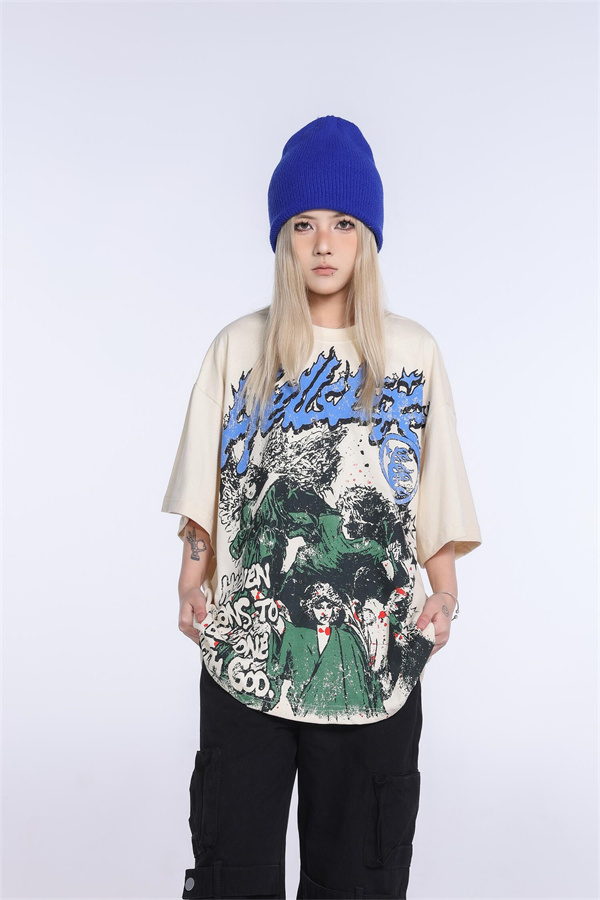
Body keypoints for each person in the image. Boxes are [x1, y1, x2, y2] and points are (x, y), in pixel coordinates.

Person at [161, 115, 482, 900]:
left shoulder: (412, 354)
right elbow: (210, 484)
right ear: (283, 240)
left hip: (374, 665)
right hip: (248, 658)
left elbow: (432, 490)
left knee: (360, 878)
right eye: (304, 224)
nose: (324, 244)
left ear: (367, 237)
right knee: (234, 874)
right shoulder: (239, 349)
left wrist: (444, 594)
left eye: (343, 223)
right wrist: (190, 580)